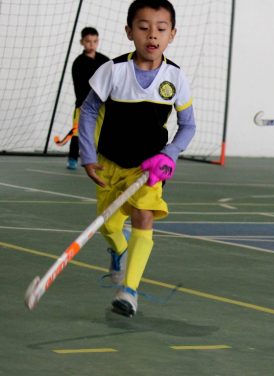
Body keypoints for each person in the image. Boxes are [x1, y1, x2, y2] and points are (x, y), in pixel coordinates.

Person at [78, 0, 196, 317]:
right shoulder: (113, 70)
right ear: (130, 32)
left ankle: (128, 291)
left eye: (160, 29)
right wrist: (87, 155)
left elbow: (188, 126)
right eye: (143, 28)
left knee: (144, 215)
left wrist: (169, 154)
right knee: (110, 225)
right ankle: (119, 248)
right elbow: (89, 111)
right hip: (109, 163)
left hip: (149, 168)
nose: (152, 35)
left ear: (172, 34)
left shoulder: (176, 77)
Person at [67, 27, 109, 170]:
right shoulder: (78, 63)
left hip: (102, 105)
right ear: (82, 42)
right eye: (88, 41)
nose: (91, 44)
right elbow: (79, 87)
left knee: (101, 132)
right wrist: (84, 104)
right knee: (78, 132)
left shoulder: (105, 61)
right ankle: (72, 158)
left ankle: (100, 158)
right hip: (83, 105)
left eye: (95, 41)